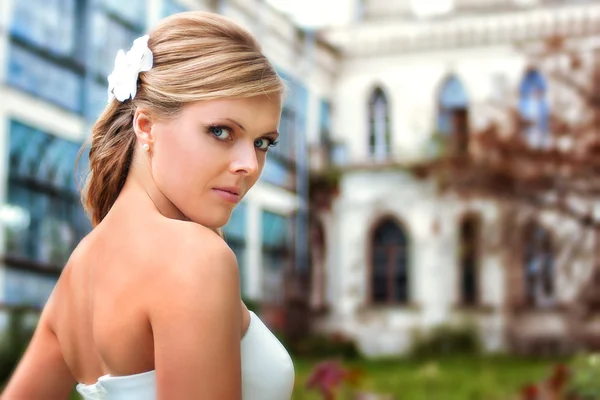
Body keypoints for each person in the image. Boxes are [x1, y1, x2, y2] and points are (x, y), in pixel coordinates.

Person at [2, 11, 294, 400]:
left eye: (262, 142)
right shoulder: (195, 257)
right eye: (221, 131)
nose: (249, 164)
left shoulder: (76, 276)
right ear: (145, 126)